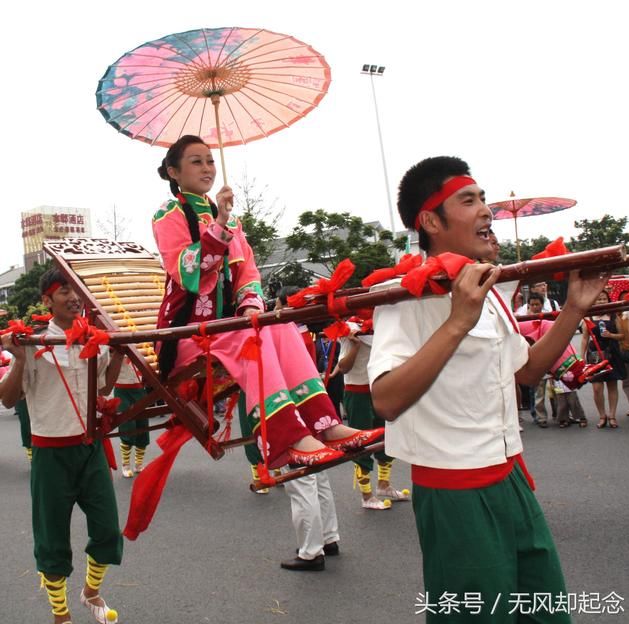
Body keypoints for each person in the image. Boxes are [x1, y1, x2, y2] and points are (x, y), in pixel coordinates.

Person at [368, 156, 608, 623]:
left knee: (546, 612)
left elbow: (525, 372)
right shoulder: (402, 296)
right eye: (469, 200)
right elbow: (387, 399)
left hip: (511, 473)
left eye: (483, 198)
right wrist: (458, 321)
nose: (486, 210)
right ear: (431, 221)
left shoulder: (489, 288)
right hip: (455, 491)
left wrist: (574, 309)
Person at [152, 135, 382, 468]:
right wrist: (218, 226)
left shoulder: (231, 219)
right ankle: (289, 437)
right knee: (251, 338)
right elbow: (188, 269)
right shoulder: (168, 214)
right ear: (174, 171)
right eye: (196, 161)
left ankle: (327, 426)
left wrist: (250, 310)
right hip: (187, 333)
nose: (207, 167)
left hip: (228, 328)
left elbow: (248, 272)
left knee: (279, 325)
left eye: (210, 160)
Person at [0, 268, 125, 624]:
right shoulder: (34, 343)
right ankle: (61, 614)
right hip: (50, 453)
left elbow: (103, 388)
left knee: (106, 530)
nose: (73, 297)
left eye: (77, 291)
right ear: (46, 301)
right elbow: (8, 400)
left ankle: (90, 591)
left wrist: (117, 352)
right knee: (52, 538)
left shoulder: (94, 340)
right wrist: (20, 359)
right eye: (63, 291)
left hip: (90, 449)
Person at [338, 318, 409, 510]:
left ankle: (384, 485)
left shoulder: (384, 322)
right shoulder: (351, 328)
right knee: (360, 442)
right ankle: (366, 495)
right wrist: (355, 346)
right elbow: (343, 367)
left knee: (387, 437)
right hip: (357, 391)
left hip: (381, 388)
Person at [581, 290, 626, 428]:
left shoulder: (614, 316)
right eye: (598, 299)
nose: (601, 302)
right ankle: (602, 415)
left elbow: (622, 335)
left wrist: (611, 335)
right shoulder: (588, 317)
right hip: (595, 355)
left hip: (612, 353)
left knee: (612, 385)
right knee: (596, 388)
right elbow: (584, 338)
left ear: (608, 300)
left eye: (604, 299)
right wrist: (581, 357)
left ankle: (612, 415)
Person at [114, 356, 149, 478]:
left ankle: (138, 464)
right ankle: (126, 465)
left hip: (139, 389)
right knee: (127, 427)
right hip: (122, 390)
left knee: (143, 426)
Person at [526, 292, 558, 427]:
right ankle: (540, 417)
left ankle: (560, 413)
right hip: (534, 358)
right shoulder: (523, 319)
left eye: (537, 304)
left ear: (542, 304)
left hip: (550, 355)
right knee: (538, 392)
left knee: (557, 389)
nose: (535, 307)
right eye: (532, 304)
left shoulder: (548, 318)